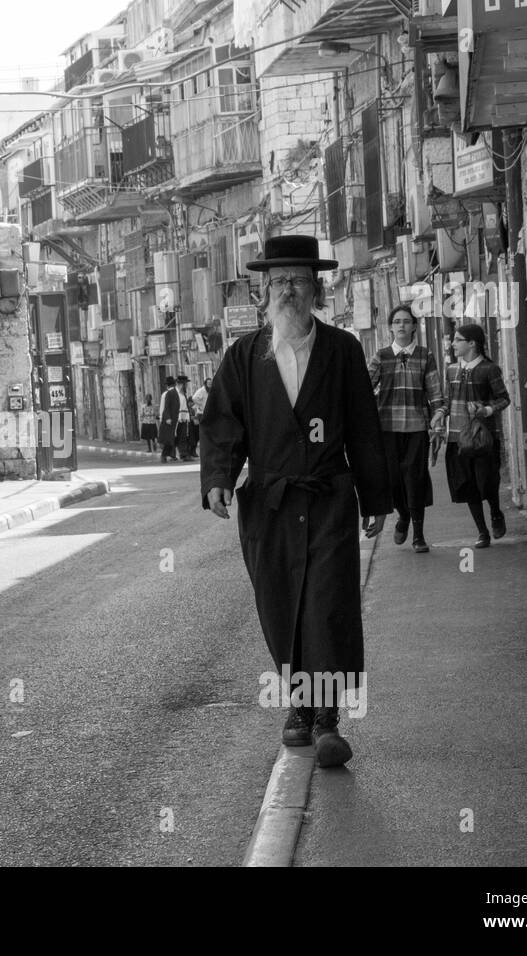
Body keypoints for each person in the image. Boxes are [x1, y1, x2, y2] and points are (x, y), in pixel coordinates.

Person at [199, 235, 391, 768]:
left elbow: (363, 426)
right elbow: (222, 424)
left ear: (316, 289)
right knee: (281, 604)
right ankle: (299, 705)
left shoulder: (343, 350)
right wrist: (218, 477)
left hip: (329, 495)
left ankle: (325, 718)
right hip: (270, 503)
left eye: (300, 281)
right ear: (265, 291)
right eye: (279, 281)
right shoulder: (243, 356)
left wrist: (375, 494)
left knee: (327, 603)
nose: (289, 290)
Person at [368, 305, 446, 554]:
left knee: (415, 479)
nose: (401, 325)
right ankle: (403, 516)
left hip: (416, 428)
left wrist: (438, 413)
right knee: (392, 480)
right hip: (387, 429)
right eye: (397, 321)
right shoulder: (381, 356)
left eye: (406, 321)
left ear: (414, 326)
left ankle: (419, 536)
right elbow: (363, 388)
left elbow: (434, 389)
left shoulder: (425, 355)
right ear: (391, 327)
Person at [443, 322, 510, 549]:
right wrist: (439, 415)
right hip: (458, 437)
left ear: (472, 343)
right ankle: (482, 532)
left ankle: (495, 512)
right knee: (467, 484)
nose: (453, 344)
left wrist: (487, 410)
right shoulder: (452, 370)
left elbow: (504, 398)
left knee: (487, 481)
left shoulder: (489, 369)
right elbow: (446, 400)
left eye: (457, 340)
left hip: (484, 436)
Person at [158, 376, 180, 462]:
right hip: (169, 419)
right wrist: (167, 418)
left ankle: (169, 454)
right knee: (168, 438)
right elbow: (166, 407)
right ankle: (164, 455)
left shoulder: (173, 392)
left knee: (170, 438)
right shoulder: (169, 393)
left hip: (172, 419)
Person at [176, 375, 196, 461]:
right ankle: (183, 454)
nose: (187, 386)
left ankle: (185, 453)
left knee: (186, 436)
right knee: (182, 436)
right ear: (182, 384)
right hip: (180, 418)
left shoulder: (183, 393)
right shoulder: (177, 394)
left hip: (185, 418)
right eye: (186, 384)